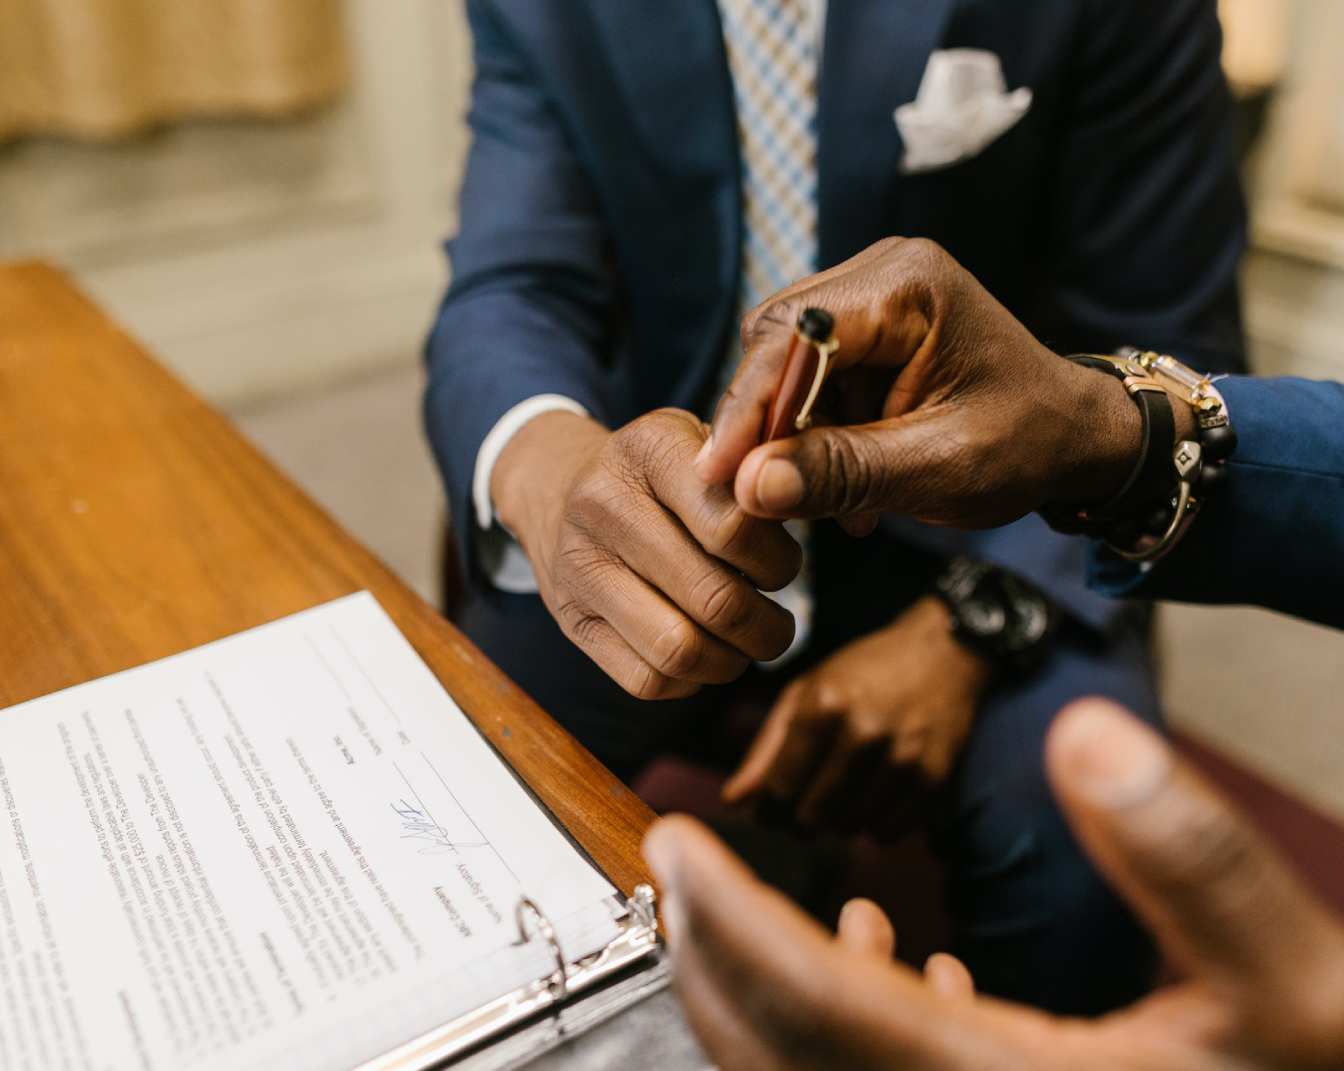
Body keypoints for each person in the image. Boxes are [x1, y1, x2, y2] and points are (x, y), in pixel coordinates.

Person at [424, 0, 1247, 1011]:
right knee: (443, 825)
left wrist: (966, 628)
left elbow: (1168, 348)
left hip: (991, 531)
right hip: (653, 503)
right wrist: (557, 482)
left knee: (1093, 851)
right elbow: (509, 289)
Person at [644, 236, 1344, 1070]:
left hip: (982, 554)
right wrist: (1111, 436)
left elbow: (1178, 320)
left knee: (1072, 826)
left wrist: (971, 620)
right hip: (701, 518)